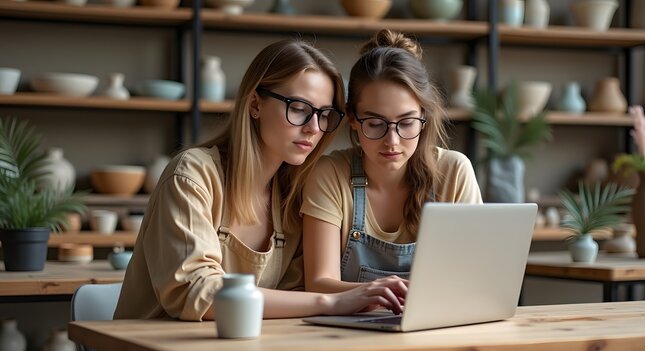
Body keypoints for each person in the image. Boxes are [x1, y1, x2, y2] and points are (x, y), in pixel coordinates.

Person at [114, 39, 406, 321]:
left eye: (324, 114)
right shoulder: (193, 175)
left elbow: (293, 298)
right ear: (255, 104)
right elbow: (195, 292)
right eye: (299, 109)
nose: (314, 128)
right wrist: (329, 301)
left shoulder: (292, 195)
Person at [301, 29, 482, 294]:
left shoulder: (453, 172)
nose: (392, 141)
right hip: (348, 332)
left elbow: (473, 279)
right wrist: (374, 293)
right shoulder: (330, 174)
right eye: (375, 124)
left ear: (425, 116)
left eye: (407, 123)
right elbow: (318, 284)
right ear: (352, 119)